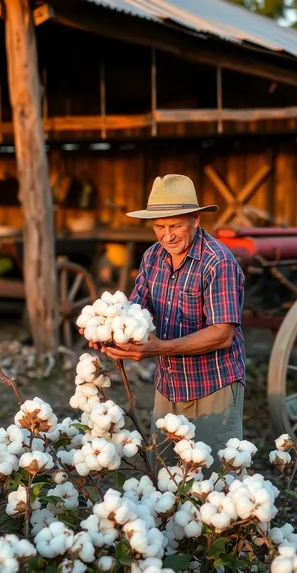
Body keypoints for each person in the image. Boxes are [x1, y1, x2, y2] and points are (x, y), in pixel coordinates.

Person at [98, 174, 246, 473]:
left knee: (214, 478)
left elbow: (222, 335)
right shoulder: (152, 257)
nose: (167, 236)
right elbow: (137, 310)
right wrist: (109, 329)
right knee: (165, 474)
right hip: (169, 385)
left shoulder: (219, 262)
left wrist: (158, 348)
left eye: (175, 225)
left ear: (196, 219)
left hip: (212, 386)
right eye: (159, 227)